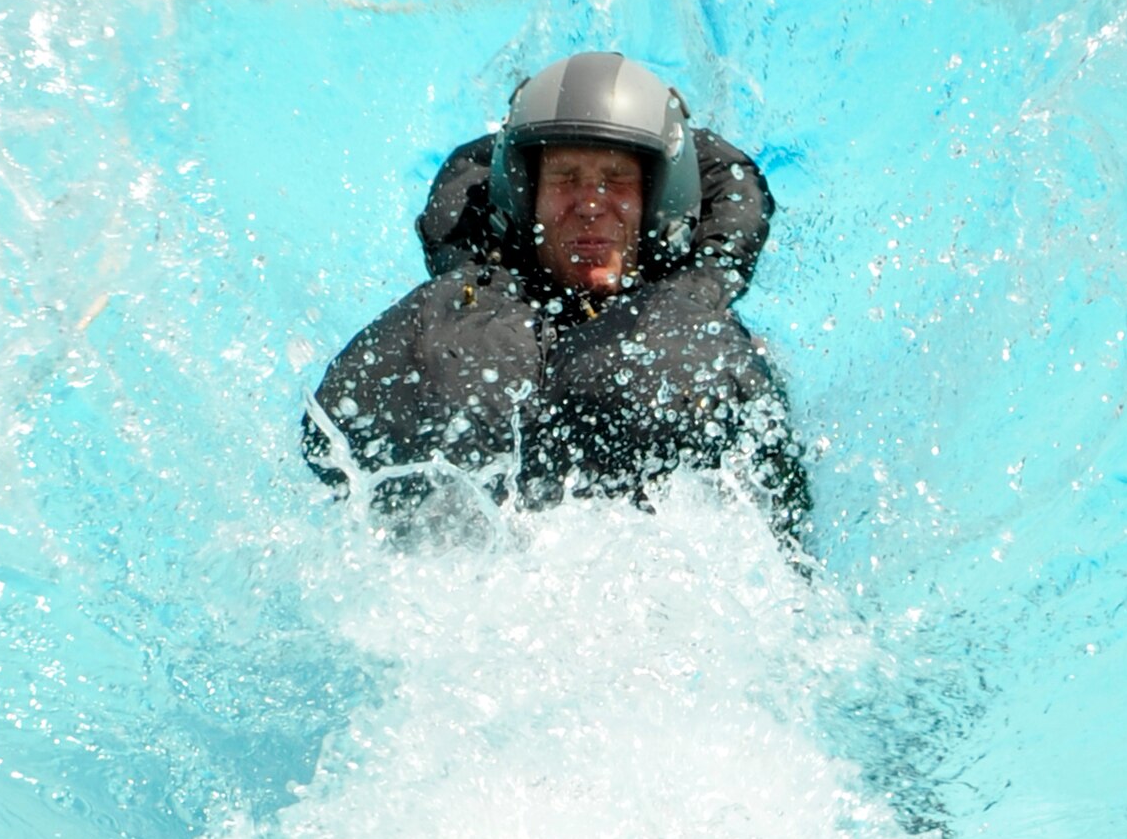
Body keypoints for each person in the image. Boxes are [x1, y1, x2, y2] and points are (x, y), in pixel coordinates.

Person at [302, 51, 809, 539]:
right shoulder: (452, 320)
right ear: (526, 198)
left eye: (616, 180)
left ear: (658, 200)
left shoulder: (707, 343)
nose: (590, 205)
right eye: (565, 179)